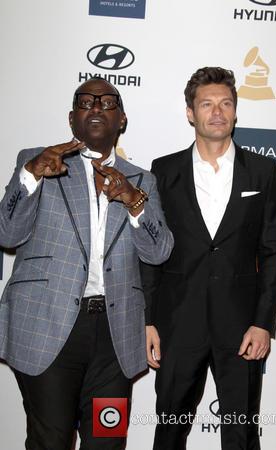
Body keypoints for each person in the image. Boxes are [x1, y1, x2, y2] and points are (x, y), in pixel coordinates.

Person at [0, 77, 174, 450]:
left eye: (107, 103)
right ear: (71, 117)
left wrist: (134, 201)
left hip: (115, 337)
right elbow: (8, 233)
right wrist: (29, 176)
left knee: (106, 441)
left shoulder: (143, 180)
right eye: (86, 102)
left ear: (122, 120)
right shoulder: (37, 161)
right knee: (52, 441)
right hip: (47, 327)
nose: (96, 108)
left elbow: (159, 252)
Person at [141, 67, 276, 449]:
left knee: (240, 431)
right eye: (207, 104)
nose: (217, 112)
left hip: (241, 326)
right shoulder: (163, 171)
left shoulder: (263, 170)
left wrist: (263, 322)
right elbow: (152, 250)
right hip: (178, 321)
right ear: (191, 113)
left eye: (226, 103)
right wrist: (148, 320)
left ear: (236, 111)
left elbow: (274, 249)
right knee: (169, 428)